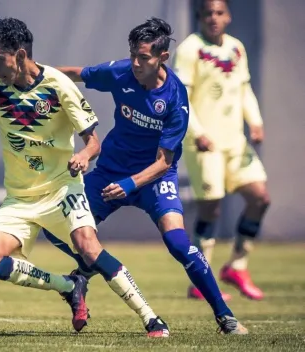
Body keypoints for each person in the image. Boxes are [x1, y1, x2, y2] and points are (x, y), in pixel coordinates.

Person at [0, 17, 169, 337]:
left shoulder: (59, 85)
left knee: (89, 248)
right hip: (20, 197)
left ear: (20, 55)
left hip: (64, 189)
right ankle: (68, 285)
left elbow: (94, 142)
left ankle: (150, 317)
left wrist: (83, 155)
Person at [40, 17, 247, 334]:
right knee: (57, 230)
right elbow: (75, 74)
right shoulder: (120, 72)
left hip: (153, 177)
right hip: (110, 170)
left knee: (179, 243)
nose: (136, 63)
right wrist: (30, 75)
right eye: (133, 54)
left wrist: (130, 184)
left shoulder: (176, 99)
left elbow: (164, 162)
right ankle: (82, 274)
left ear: (163, 57)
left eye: (144, 57)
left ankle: (226, 317)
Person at [173, 0, 269, 301]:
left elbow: (244, 89)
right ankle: (200, 279)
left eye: (219, 13)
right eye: (207, 13)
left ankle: (237, 266)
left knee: (260, 198)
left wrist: (255, 122)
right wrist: (198, 133)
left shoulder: (236, 48)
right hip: (205, 144)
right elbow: (181, 97)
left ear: (227, 17)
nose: (213, 18)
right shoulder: (190, 49)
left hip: (234, 143)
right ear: (200, 17)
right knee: (211, 208)